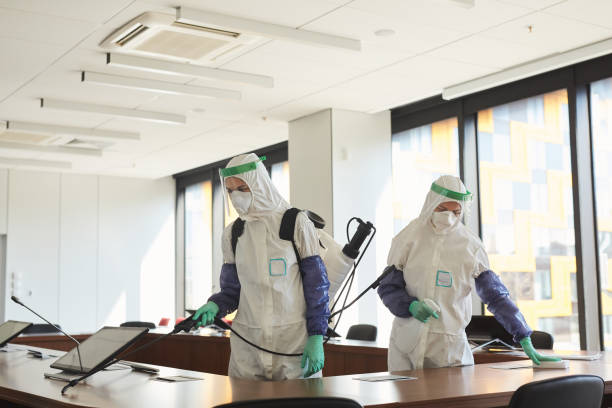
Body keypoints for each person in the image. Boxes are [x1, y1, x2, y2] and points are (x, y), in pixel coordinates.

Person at [377, 175, 560, 370]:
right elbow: (388, 286)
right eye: (442, 209)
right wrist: (410, 305)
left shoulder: (470, 245)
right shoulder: (409, 237)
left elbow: (496, 296)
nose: (448, 216)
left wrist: (523, 337)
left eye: (456, 211)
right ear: (431, 204)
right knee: (404, 398)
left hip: (449, 348)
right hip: (406, 343)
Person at [191, 153, 330, 380]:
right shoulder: (233, 234)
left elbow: (317, 286)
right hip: (248, 346)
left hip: (293, 343)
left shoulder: (296, 223)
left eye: (242, 188)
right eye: (230, 190)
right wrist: (215, 306)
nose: (236, 196)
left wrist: (316, 336)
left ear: (259, 184)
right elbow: (231, 291)